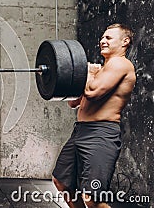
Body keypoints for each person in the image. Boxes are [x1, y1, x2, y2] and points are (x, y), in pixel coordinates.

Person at [52, 23, 136, 208]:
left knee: (92, 197)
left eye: (108, 38)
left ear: (125, 42)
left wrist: (88, 73)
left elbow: (93, 92)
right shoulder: (103, 69)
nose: (102, 41)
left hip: (101, 133)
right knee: (62, 182)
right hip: (80, 131)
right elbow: (73, 102)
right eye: (102, 37)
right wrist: (88, 76)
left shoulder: (120, 64)